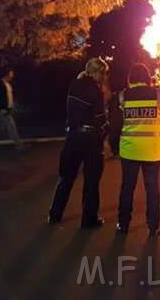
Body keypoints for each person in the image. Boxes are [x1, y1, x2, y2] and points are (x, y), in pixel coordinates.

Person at [112, 64, 160, 237]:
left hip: (129, 151)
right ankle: (153, 226)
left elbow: (115, 128)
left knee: (127, 188)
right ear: (147, 79)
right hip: (153, 151)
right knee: (152, 188)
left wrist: (115, 148)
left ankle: (123, 225)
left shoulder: (121, 97)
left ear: (130, 79)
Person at [48, 58, 110, 228]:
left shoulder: (74, 86)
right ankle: (89, 219)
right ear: (95, 72)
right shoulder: (95, 91)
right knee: (91, 181)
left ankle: (55, 214)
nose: (104, 77)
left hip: (73, 137)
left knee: (66, 178)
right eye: (103, 73)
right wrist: (106, 130)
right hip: (90, 140)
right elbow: (100, 119)